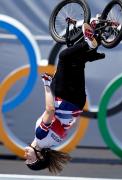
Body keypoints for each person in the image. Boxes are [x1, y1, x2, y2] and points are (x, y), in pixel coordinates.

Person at [24, 23, 105, 174]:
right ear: (40, 156)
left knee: (77, 63)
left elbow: (69, 125)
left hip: (78, 103)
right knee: (64, 57)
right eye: (30, 160)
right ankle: (89, 43)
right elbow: (50, 110)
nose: (25, 157)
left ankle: (98, 35)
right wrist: (47, 86)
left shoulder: (55, 142)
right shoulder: (40, 137)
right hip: (64, 99)